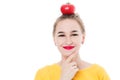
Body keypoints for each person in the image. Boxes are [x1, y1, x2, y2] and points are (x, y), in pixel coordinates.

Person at [34, 3, 110, 80]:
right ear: (54, 40)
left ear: (83, 38)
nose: (68, 41)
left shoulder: (98, 72)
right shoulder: (43, 74)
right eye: (62, 35)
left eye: (74, 34)